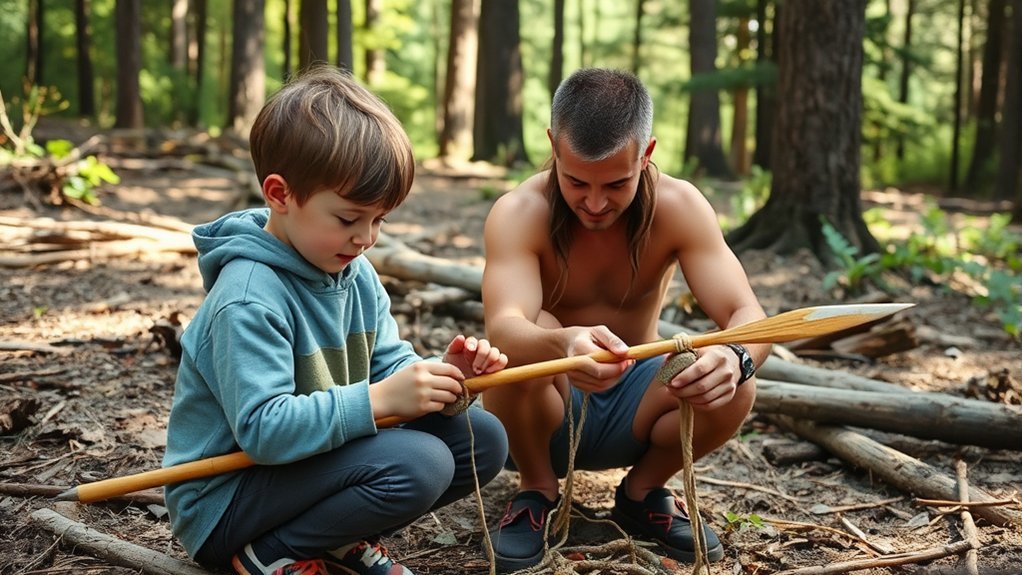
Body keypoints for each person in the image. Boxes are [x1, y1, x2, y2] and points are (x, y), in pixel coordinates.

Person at [163, 65, 510, 575]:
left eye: (378, 220)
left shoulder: (355, 273)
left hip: (304, 468)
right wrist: (381, 399)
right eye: (349, 219)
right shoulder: (248, 299)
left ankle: (333, 538)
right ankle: (272, 553)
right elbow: (264, 430)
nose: (366, 238)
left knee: (482, 439)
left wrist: (444, 376)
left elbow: (388, 367)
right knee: (422, 463)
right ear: (280, 195)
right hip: (227, 502)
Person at [480, 67, 770, 571]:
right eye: (575, 181)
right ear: (553, 145)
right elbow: (504, 326)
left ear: (647, 154)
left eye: (617, 183)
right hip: (541, 409)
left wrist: (733, 355)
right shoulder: (519, 211)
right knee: (530, 333)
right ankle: (536, 491)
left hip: (639, 398)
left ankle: (642, 493)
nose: (594, 203)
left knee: (736, 380)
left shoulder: (680, 207)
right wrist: (563, 345)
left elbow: (748, 316)